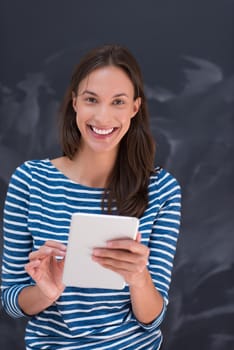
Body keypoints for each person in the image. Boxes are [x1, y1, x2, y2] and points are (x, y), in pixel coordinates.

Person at [1, 44, 181, 350]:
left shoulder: (162, 189)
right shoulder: (30, 180)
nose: (102, 116)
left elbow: (152, 317)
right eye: (91, 100)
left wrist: (139, 278)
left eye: (118, 102)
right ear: (74, 103)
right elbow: (11, 299)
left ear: (134, 108)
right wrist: (48, 291)